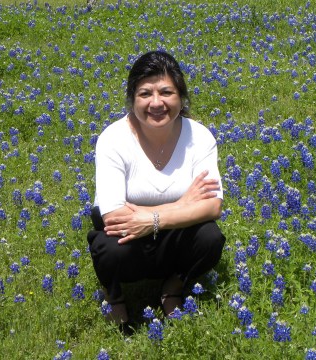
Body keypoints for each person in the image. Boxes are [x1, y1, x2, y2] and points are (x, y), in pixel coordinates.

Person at [87, 51, 226, 331]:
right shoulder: (113, 139)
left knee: (210, 237)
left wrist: (152, 218)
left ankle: (173, 286)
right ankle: (115, 297)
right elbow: (114, 216)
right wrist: (183, 203)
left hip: (175, 234)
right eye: (145, 94)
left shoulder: (199, 137)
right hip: (126, 237)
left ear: (181, 97)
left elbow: (213, 207)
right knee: (107, 248)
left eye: (166, 92)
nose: (156, 103)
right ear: (131, 100)